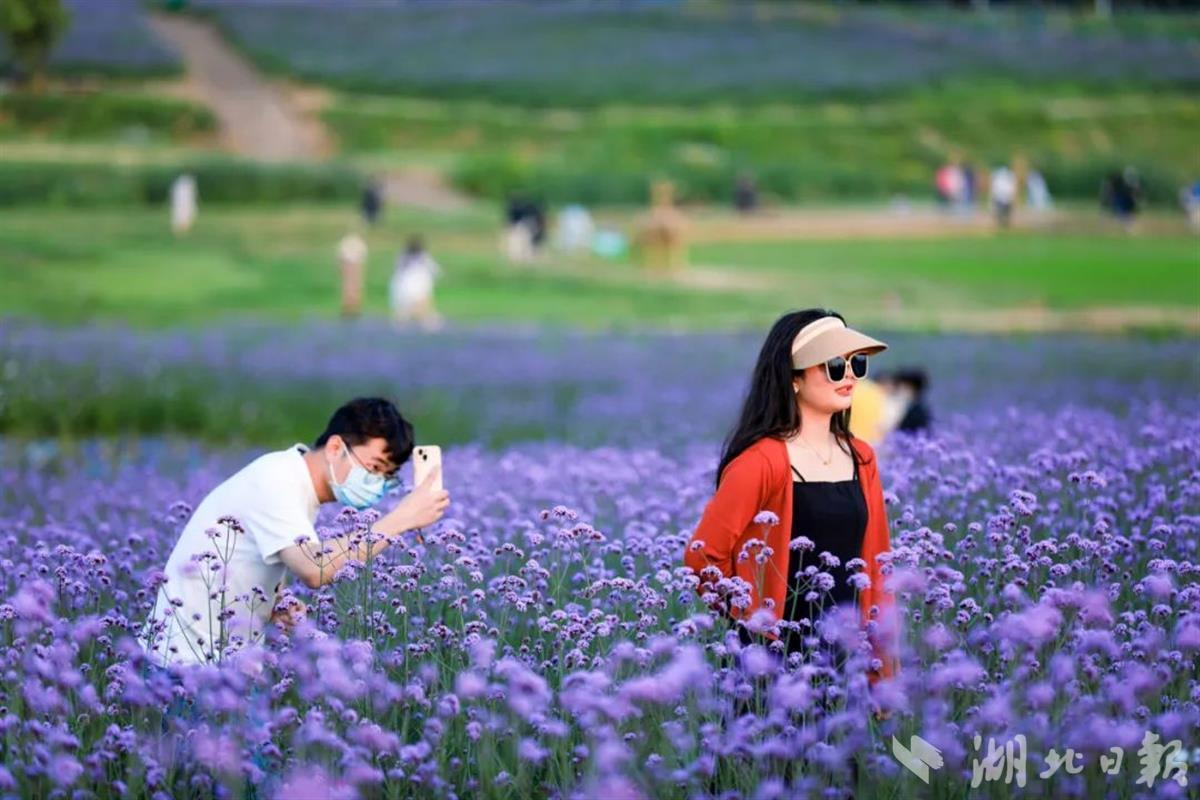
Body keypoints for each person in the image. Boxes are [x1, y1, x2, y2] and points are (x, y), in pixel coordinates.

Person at [142, 398, 450, 666]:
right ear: (334, 448)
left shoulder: (292, 482)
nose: (378, 484)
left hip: (220, 666)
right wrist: (401, 519)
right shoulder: (279, 481)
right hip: (185, 667)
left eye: (387, 477)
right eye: (374, 468)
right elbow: (316, 569)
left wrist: (274, 606)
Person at [683, 309, 899, 690]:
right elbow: (703, 556)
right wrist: (753, 622)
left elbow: (878, 565)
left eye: (856, 363)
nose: (849, 375)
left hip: (845, 660)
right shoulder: (761, 461)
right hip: (773, 665)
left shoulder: (862, 457)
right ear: (794, 379)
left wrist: (881, 666)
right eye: (834, 365)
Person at [390, 235, 442, 330]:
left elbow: (396, 275)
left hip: (401, 291)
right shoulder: (423, 259)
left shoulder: (402, 258)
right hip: (417, 290)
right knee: (426, 316)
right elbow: (436, 272)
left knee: (404, 315)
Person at [336, 231, 368, 319]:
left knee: (355, 286)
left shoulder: (356, 247)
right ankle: (349, 309)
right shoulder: (348, 246)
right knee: (348, 286)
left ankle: (354, 308)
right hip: (349, 261)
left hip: (353, 261)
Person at [893, 369, 932, 434]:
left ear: (914, 390)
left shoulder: (918, 412)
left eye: (904, 388)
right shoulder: (904, 407)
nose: (899, 392)